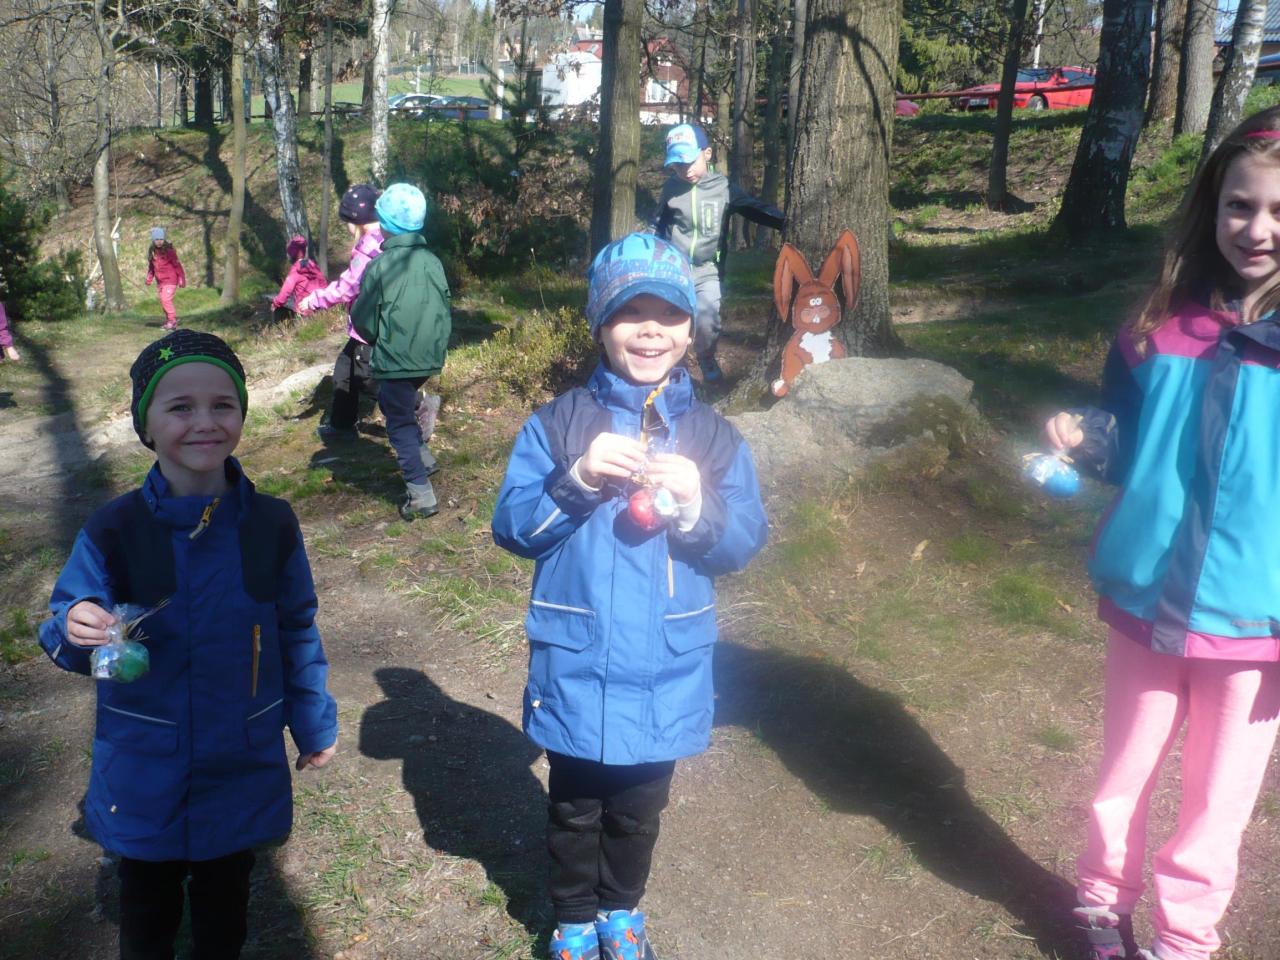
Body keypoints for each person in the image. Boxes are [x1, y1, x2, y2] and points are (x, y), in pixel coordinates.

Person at [1044, 106, 1280, 960]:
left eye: (1279, 211)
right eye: (1240, 206)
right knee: (1124, 768)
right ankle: (1101, 903)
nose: (1257, 228)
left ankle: (1184, 939)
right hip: (1146, 592)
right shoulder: (1156, 327)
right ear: (1212, 206)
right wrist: (1087, 435)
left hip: (1256, 617)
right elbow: (1126, 437)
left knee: (1220, 796)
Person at [491, 233, 768, 960]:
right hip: (578, 663)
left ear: (691, 330)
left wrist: (696, 504)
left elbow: (742, 543)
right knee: (574, 806)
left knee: (641, 809)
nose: (651, 331)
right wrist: (577, 480)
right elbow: (514, 528)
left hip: (666, 668)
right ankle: (572, 921)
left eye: (669, 314)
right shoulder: (557, 425)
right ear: (599, 323)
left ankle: (621, 911)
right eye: (629, 313)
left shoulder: (715, 438)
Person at [37, 330, 339, 960]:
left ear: (242, 414)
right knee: (146, 909)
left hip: (240, 758)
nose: (204, 422)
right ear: (145, 424)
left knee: (225, 906)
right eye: (180, 407)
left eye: (222, 404)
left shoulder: (271, 524)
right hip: (145, 762)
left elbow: (296, 628)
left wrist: (313, 723)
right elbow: (69, 619)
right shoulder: (115, 528)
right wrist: (73, 626)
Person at [653, 123, 784, 383]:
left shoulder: (723, 187)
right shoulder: (671, 189)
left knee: (707, 319)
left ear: (707, 153)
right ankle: (676, 367)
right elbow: (658, 224)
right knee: (672, 320)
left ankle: (706, 357)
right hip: (674, 268)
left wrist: (786, 222)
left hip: (708, 270)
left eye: (690, 162)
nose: (685, 170)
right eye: (677, 165)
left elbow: (753, 208)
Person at [350, 182, 451, 520]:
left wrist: (373, 336)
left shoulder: (380, 266)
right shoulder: (433, 262)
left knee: (399, 425)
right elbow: (444, 307)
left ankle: (421, 495)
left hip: (396, 357)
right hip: (429, 355)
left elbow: (364, 319)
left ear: (385, 225)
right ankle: (424, 459)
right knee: (397, 401)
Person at [298, 184, 384, 441]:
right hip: (368, 323)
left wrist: (314, 300)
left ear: (355, 222)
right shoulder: (383, 238)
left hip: (369, 324)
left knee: (367, 379)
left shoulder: (369, 247)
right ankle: (342, 425)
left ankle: (417, 404)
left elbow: (348, 287)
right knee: (344, 371)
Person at [271, 234, 328, 323]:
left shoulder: (295, 271)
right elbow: (324, 285)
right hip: (321, 309)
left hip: (305, 313)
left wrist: (275, 303)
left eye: (290, 254)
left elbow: (284, 294)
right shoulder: (314, 266)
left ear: (293, 254)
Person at [144, 227, 186, 331]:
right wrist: (149, 278)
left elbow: (177, 265)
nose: (159, 242)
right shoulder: (153, 252)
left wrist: (181, 278)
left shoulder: (169, 252)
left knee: (165, 299)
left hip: (171, 279)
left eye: (161, 239)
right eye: (157, 239)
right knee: (164, 302)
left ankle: (172, 320)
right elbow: (151, 267)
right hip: (161, 282)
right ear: (153, 240)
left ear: (164, 240)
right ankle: (169, 322)